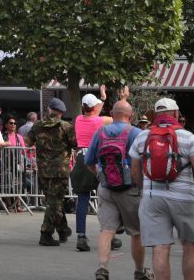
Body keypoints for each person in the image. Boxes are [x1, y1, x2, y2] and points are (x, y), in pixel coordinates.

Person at [129, 97, 194, 280]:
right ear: (176, 114)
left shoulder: (142, 136)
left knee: (160, 247)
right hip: (184, 198)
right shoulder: (187, 136)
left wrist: (145, 190)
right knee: (190, 244)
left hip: (153, 198)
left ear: (156, 114)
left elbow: (135, 172)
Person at [84, 101, 151, 280]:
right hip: (130, 189)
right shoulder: (136, 133)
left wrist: (101, 174)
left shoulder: (100, 133)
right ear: (131, 115)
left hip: (106, 188)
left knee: (107, 229)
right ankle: (139, 271)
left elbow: (89, 161)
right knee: (136, 232)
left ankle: (102, 268)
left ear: (112, 114)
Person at [26, 97, 77, 246]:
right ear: (61, 112)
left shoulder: (37, 125)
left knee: (54, 200)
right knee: (55, 201)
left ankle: (62, 229)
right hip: (59, 169)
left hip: (43, 169)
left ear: (49, 110)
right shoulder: (66, 126)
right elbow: (76, 144)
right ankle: (46, 233)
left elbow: (27, 142)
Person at [73, 93, 112, 252]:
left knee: (82, 199)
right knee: (105, 199)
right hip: (97, 158)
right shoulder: (101, 121)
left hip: (81, 159)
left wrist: (102, 99)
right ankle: (110, 235)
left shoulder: (78, 119)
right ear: (95, 108)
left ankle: (81, 236)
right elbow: (116, 116)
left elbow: (93, 110)